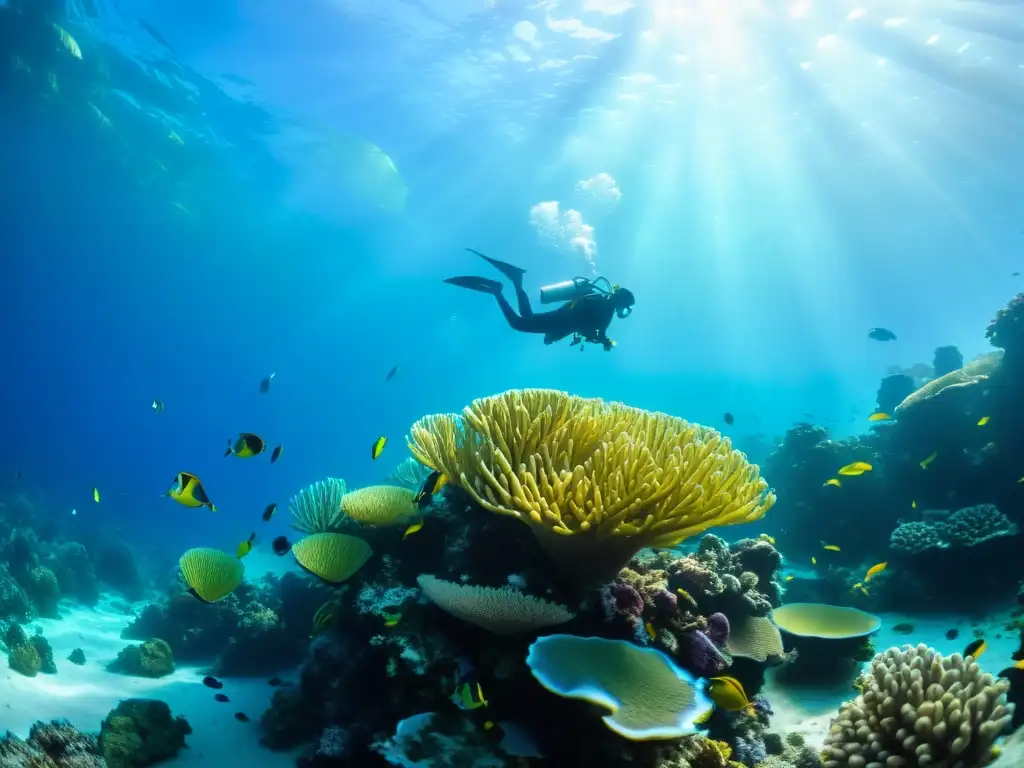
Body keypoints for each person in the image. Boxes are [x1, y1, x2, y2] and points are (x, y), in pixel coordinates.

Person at [444, 249, 635, 350]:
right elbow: (584, 320)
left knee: (524, 318)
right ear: (621, 301)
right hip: (561, 321)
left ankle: (508, 285)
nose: (624, 310)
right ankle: (502, 287)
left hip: (560, 321)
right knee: (519, 323)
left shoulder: (604, 306)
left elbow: (593, 328)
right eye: (626, 306)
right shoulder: (604, 306)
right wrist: (602, 340)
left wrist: (603, 340)